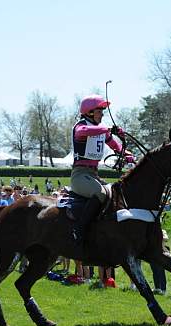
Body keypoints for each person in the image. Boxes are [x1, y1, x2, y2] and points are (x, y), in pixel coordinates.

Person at [69, 94, 134, 255]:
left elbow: (115, 145)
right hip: (79, 175)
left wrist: (126, 154)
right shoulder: (81, 126)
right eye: (100, 111)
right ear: (90, 112)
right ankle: (79, 229)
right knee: (100, 192)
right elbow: (84, 132)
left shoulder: (101, 130)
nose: (102, 114)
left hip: (93, 175)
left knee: (115, 194)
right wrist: (108, 129)